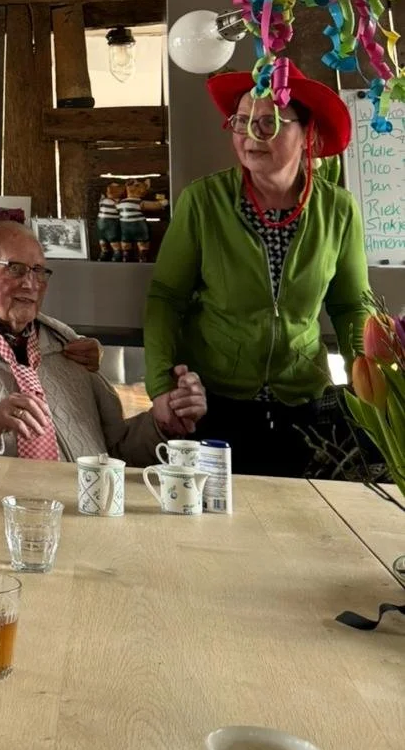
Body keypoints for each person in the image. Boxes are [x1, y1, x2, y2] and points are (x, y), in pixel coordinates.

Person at [145, 62, 373, 476]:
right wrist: (160, 384)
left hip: (303, 402)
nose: (252, 135)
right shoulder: (203, 202)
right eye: (243, 122)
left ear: (307, 132)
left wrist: (370, 381)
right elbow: (166, 297)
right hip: (214, 400)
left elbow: (351, 306)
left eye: (269, 123)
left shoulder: (338, 210)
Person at [0, 222, 206, 486]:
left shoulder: (67, 343)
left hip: (83, 518)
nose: (31, 283)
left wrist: (161, 423)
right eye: (15, 269)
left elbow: (117, 451)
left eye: (39, 271)